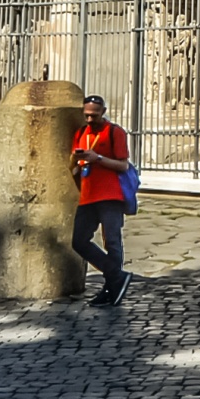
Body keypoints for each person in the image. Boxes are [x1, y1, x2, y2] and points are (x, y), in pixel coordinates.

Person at [72, 94, 133, 305]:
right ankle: (117, 277)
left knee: (112, 241)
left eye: (94, 115)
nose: (90, 120)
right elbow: (75, 159)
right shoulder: (81, 133)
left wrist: (97, 158)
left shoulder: (115, 132)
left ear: (103, 112)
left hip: (110, 194)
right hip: (88, 195)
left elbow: (123, 165)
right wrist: (76, 164)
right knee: (78, 241)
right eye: (86, 115)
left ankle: (111, 287)